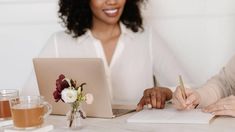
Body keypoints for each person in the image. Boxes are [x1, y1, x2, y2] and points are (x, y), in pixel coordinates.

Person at [24, 0, 190, 111]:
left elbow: (189, 88)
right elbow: (26, 100)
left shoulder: (146, 39)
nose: (112, 1)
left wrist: (166, 92)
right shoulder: (59, 43)